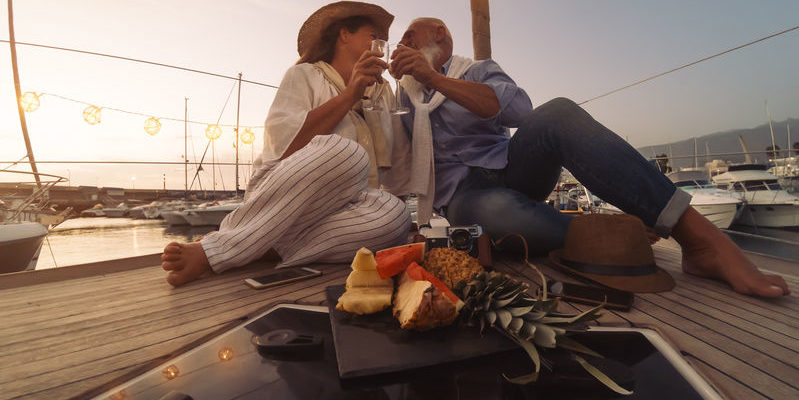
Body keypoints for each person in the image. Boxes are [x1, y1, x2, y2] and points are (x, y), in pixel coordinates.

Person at [389, 17, 789, 297]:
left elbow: (518, 113)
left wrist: (434, 78)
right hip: (465, 194)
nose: (402, 42)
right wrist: (372, 92)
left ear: (438, 35)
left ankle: (700, 241)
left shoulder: (474, 70)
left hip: (513, 165)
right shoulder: (404, 97)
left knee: (558, 111)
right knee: (492, 212)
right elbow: (390, 154)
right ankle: (614, 233)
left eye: (410, 34)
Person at [161, 2, 411, 287]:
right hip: (283, 192)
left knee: (397, 216)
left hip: (343, 207)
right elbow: (285, 147)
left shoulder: (381, 92)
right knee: (347, 154)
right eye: (372, 35)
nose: (381, 44)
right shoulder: (305, 75)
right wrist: (350, 93)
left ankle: (263, 246)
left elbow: (397, 161)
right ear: (344, 34)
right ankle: (214, 249)